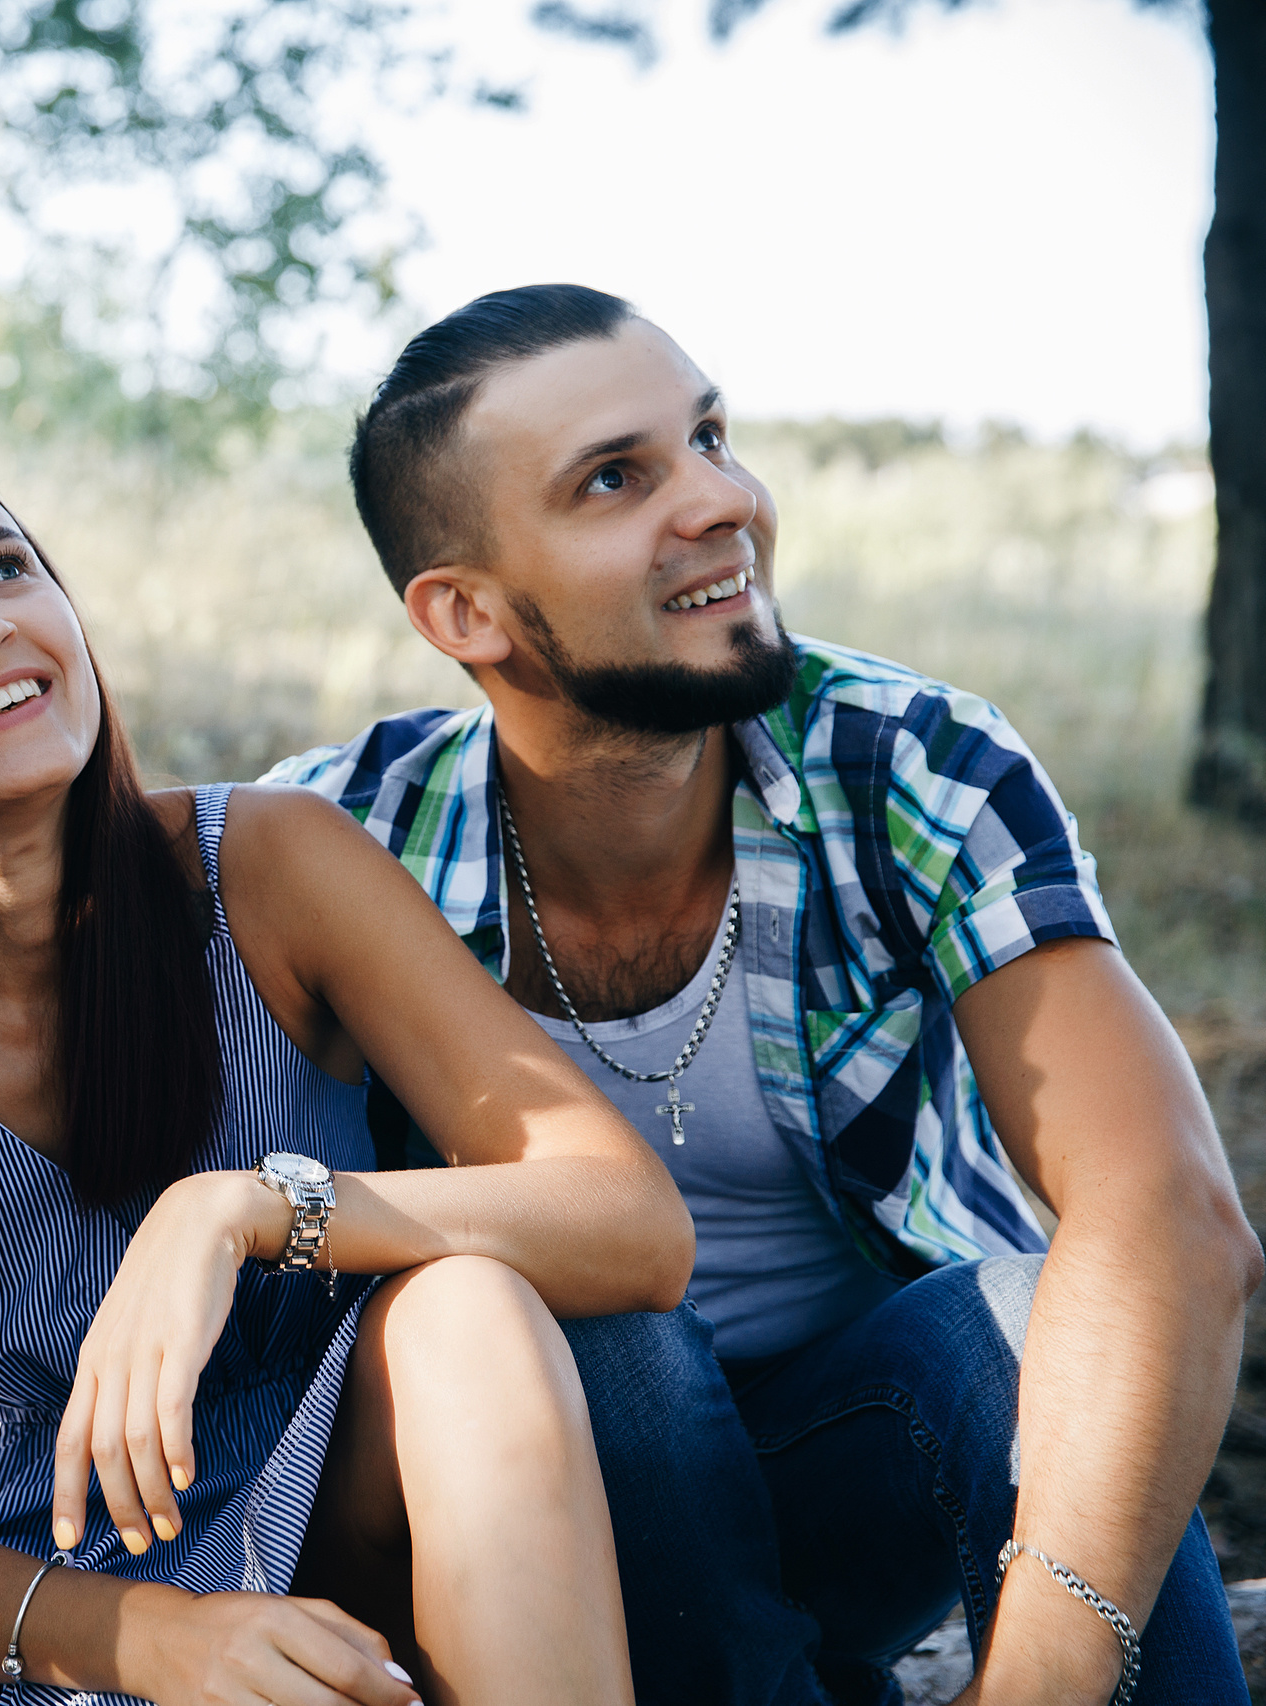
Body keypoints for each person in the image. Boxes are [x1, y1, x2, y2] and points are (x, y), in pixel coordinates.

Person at [263, 284, 1261, 1701]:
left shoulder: (908, 760)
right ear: (466, 611)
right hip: (537, 1529)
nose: (722, 501)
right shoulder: (337, 840)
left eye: (711, 436)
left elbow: (1170, 1213)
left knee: (1042, 1320)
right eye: (618, 478)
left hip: (862, 1459)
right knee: (584, 1316)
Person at [0, 447, 695, 1706]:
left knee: (466, 1309)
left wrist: (245, 1207)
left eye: (5, 567)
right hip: (4, 1599)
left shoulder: (268, 868)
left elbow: (629, 1218)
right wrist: (152, 1637)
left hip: (318, 1508)